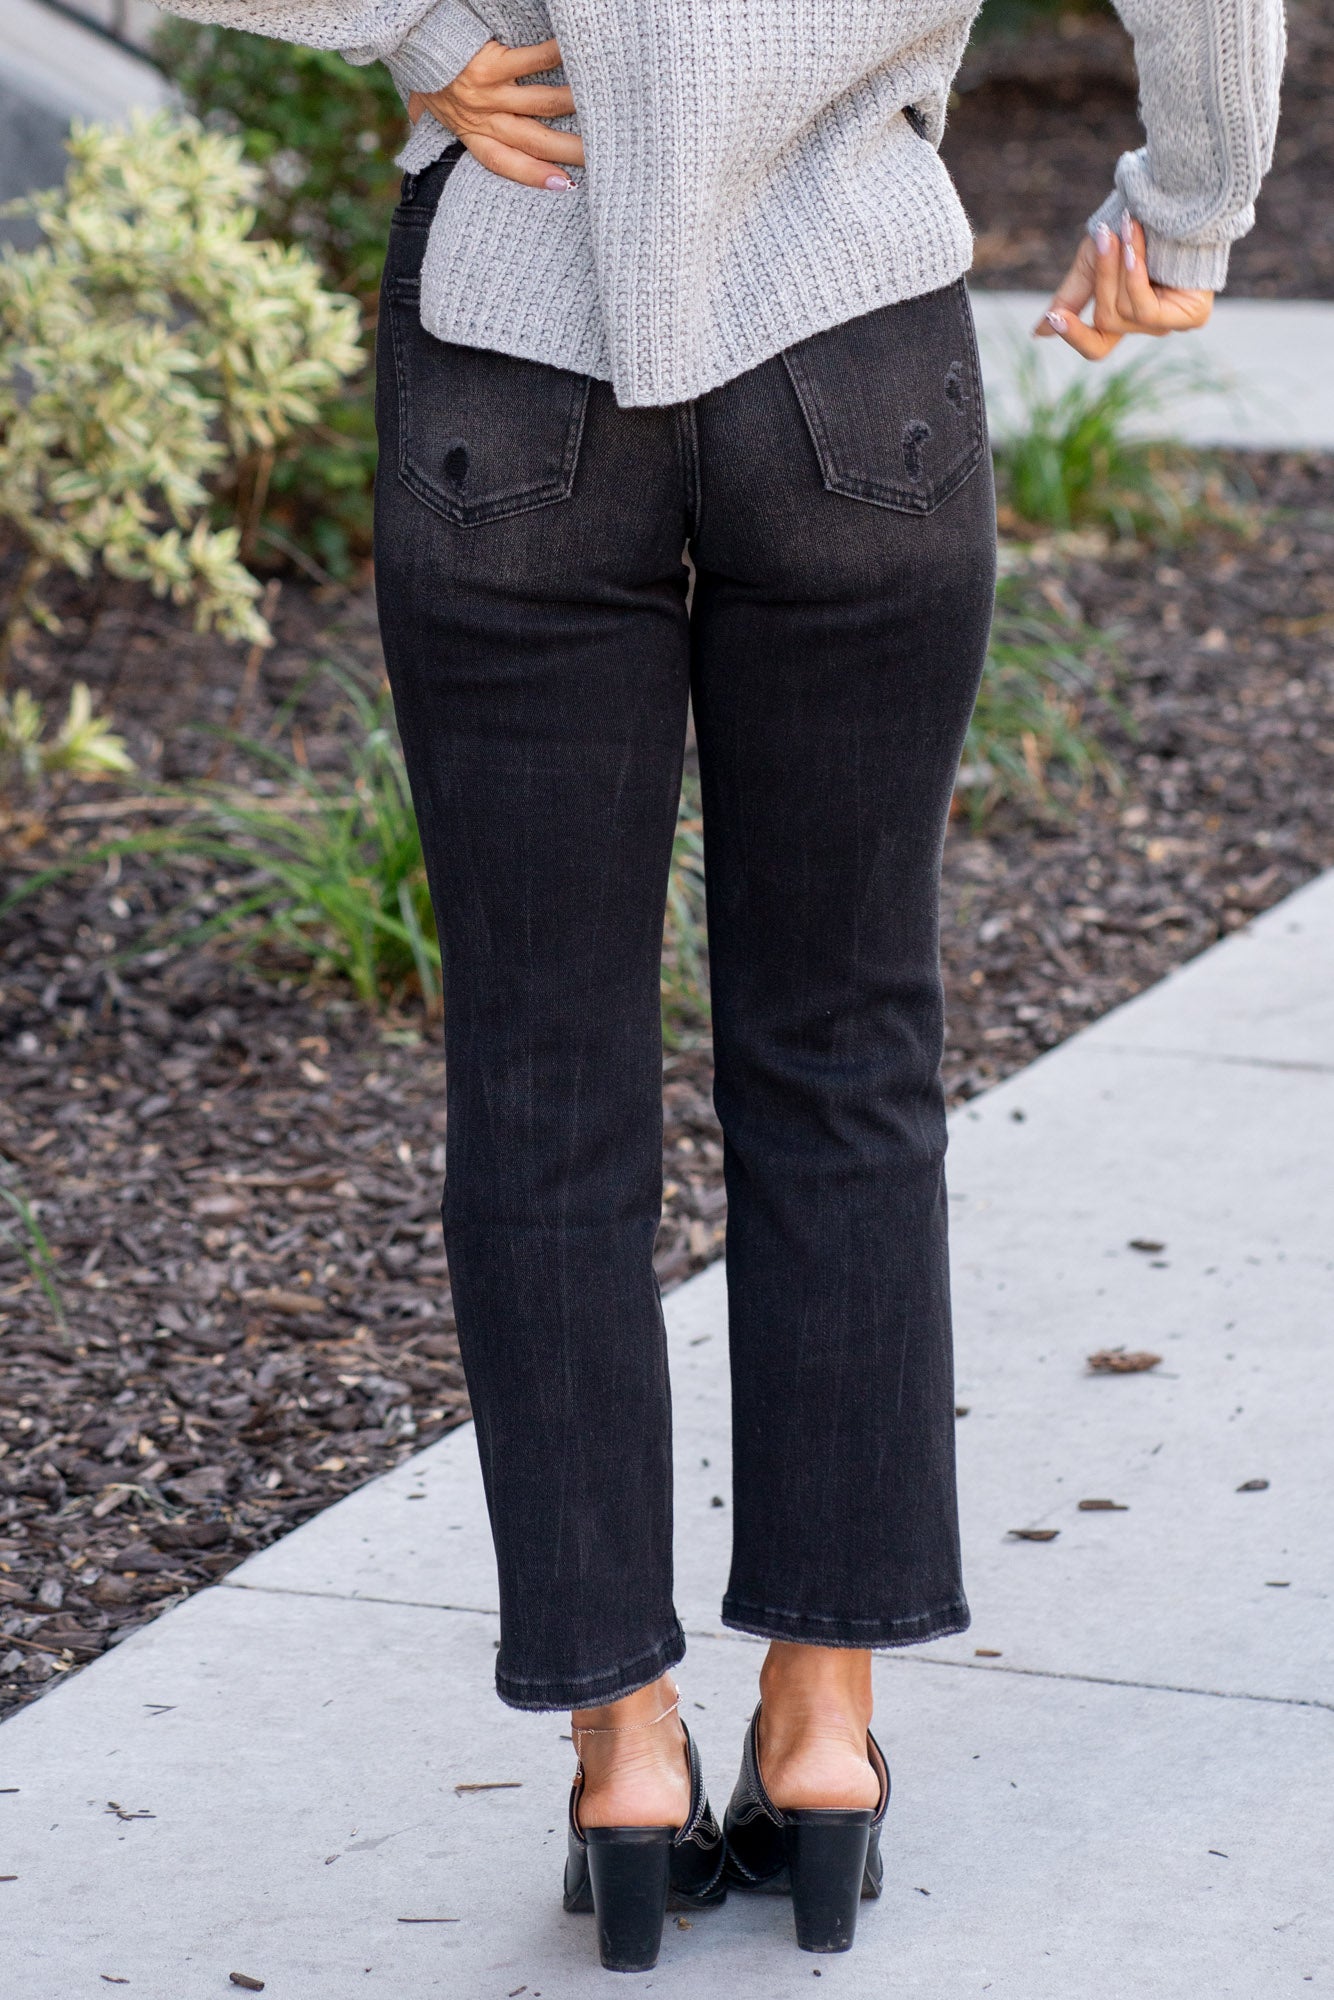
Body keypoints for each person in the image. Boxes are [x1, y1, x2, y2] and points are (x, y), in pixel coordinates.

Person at [150, 0, 1285, 1970]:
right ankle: (823, 1728)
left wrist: (412, 27)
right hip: (858, 353)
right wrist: (1187, 209)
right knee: (846, 1051)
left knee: (539, 1075)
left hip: (513, 339)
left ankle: (621, 1750)